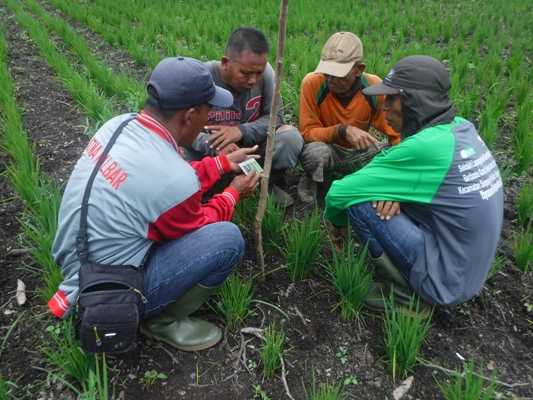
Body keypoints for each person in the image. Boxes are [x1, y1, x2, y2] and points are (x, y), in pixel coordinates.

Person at [48, 56, 261, 351]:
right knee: (227, 239)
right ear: (190, 115)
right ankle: (162, 320)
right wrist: (233, 193)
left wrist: (222, 164)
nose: (209, 119)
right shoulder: (174, 179)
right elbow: (200, 220)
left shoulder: (119, 125)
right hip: (108, 290)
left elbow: (164, 184)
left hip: (74, 262)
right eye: (208, 111)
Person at [325, 55, 503, 309]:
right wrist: (399, 194)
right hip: (466, 273)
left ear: (414, 103)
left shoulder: (427, 148)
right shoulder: (461, 128)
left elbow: (338, 194)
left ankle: (406, 297)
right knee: (383, 193)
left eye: (391, 98)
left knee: (360, 204)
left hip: (443, 282)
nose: (383, 107)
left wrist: (339, 227)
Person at [184, 27, 304, 207]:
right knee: (178, 156)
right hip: (210, 152)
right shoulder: (203, 77)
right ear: (225, 63)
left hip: (251, 148)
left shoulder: (267, 74)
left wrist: (241, 131)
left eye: (258, 73)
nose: (253, 80)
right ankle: (208, 188)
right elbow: (182, 127)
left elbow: (275, 118)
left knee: (290, 137)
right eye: (245, 73)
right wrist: (214, 145)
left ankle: (264, 183)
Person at [298, 32, 400, 203]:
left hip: (360, 151)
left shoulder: (373, 87)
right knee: (315, 153)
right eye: (327, 72)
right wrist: (342, 131)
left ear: (358, 70)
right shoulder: (313, 83)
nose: (331, 79)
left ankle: (360, 183)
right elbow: (308, 133)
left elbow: (395, 134)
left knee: (388, 153)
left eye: (339, 74)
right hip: (328, 149)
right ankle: (312, 179)